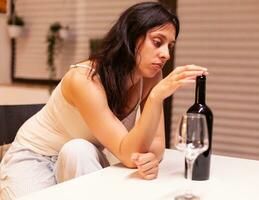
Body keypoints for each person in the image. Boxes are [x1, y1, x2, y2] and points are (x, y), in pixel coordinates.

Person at [0, 2, 208, 199]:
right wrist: (155, 97)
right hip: (34, 157)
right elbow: (127, 153)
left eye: (170, 46)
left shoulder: (151, 76)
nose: (166, 55)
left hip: (79, 157)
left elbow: (156, 145)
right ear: (132, 37)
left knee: (78, 148)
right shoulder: (84, 79)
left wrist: (149, 159)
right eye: (157, 42)